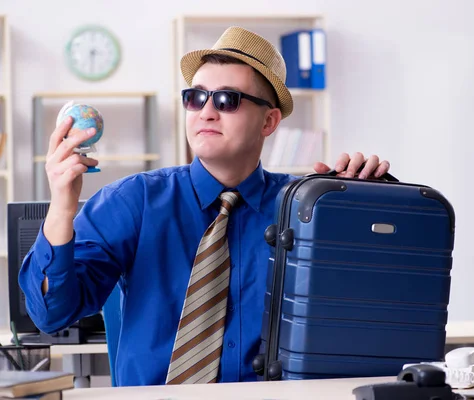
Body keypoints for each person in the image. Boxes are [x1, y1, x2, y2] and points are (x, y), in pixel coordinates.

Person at [18, 26, 391, 387]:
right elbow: (53, 314)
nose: (206, 112)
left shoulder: (310, 210)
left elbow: (372, 317)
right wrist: (61, 208)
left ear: (269, 121)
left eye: (227, 99)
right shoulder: (132, 201)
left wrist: (363, 213)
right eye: (196, 97)